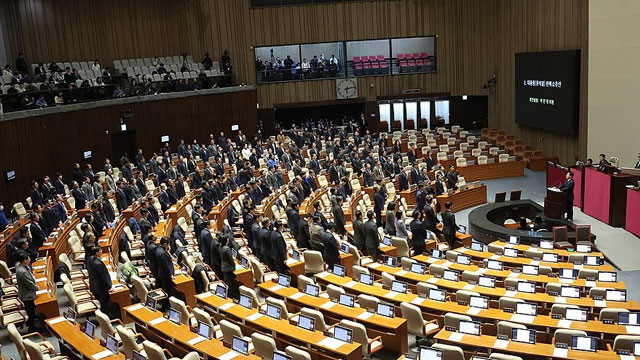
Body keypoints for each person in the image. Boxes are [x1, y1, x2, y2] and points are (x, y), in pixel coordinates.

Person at [16, 253, 40, 332]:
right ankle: (31, 328)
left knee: (32, 310)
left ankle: (31, 323)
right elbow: (29, 284)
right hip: (26, 295)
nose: (30, 260)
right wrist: (37, 288)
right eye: (28, 259)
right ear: (24, 261)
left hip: (29, 293)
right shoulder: (22, 272)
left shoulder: (24, 267)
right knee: (30, 312)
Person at [88, 246, 112, 313]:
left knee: (100, 299)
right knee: (104, 301)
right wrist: (109, 286)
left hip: (95, 284)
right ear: (96, 253)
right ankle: (104, 314)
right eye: (100, 250)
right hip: (101, 287)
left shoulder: (91, 259)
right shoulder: (98, 264)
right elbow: (103, 277)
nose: (101, 251)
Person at [155, 237, 174, 310]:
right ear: (165, 244)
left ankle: (165, 305)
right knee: (167, 291)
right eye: (168, 244)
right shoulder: (163, 254)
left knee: (165, 290)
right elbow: (166, 266)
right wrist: (171, 275)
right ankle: (166, 307)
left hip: (160, 272)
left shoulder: (158, 249)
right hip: (165, 275)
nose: (168, 246)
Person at [219, 235, 238, 299]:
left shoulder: (220, 246)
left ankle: (230, 294)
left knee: (227, 282)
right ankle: (232, 296)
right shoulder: (227, 249)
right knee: (231, 283)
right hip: (228, 268)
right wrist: (234, 265)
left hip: (224, 266)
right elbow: (230, 259)